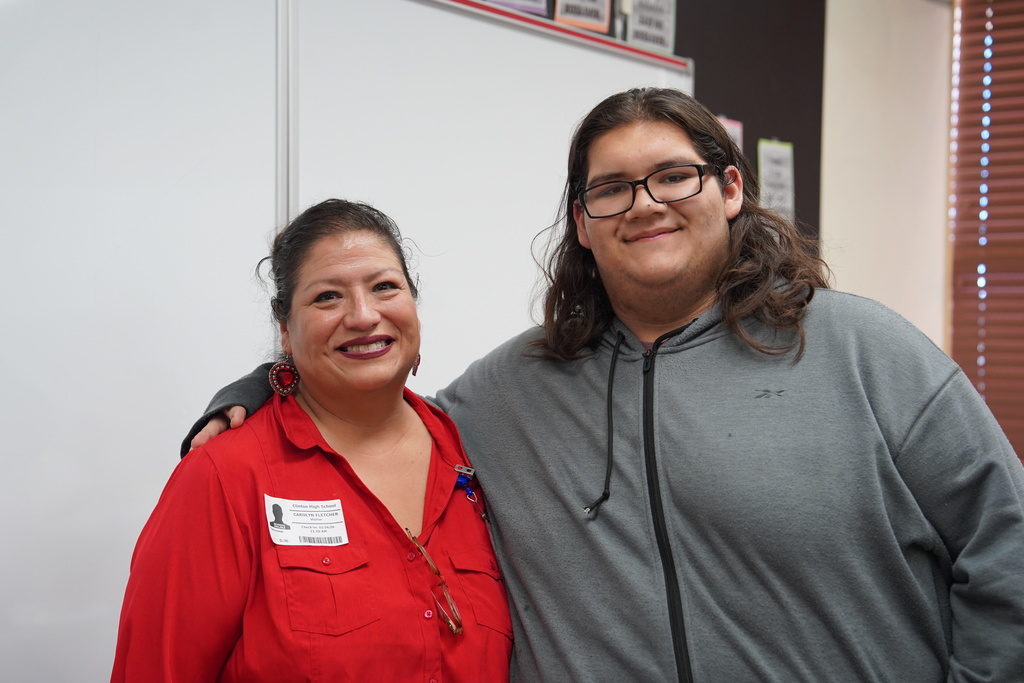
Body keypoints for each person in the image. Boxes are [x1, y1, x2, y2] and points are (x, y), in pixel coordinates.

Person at [184, 89, 1024, 682]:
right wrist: (267, 379)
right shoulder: (514, 389)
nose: (644, 204)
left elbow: (1007, 544)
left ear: (730, 188)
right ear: (582, 223)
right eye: (611, 188)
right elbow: (378, 403)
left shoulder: (865, 349)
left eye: (673, 174)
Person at [113, 200, 512, 682]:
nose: (364, 316)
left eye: (385, 287)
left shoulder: (473, 448)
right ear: (284, 326)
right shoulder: (225, 476)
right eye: (328, 297)